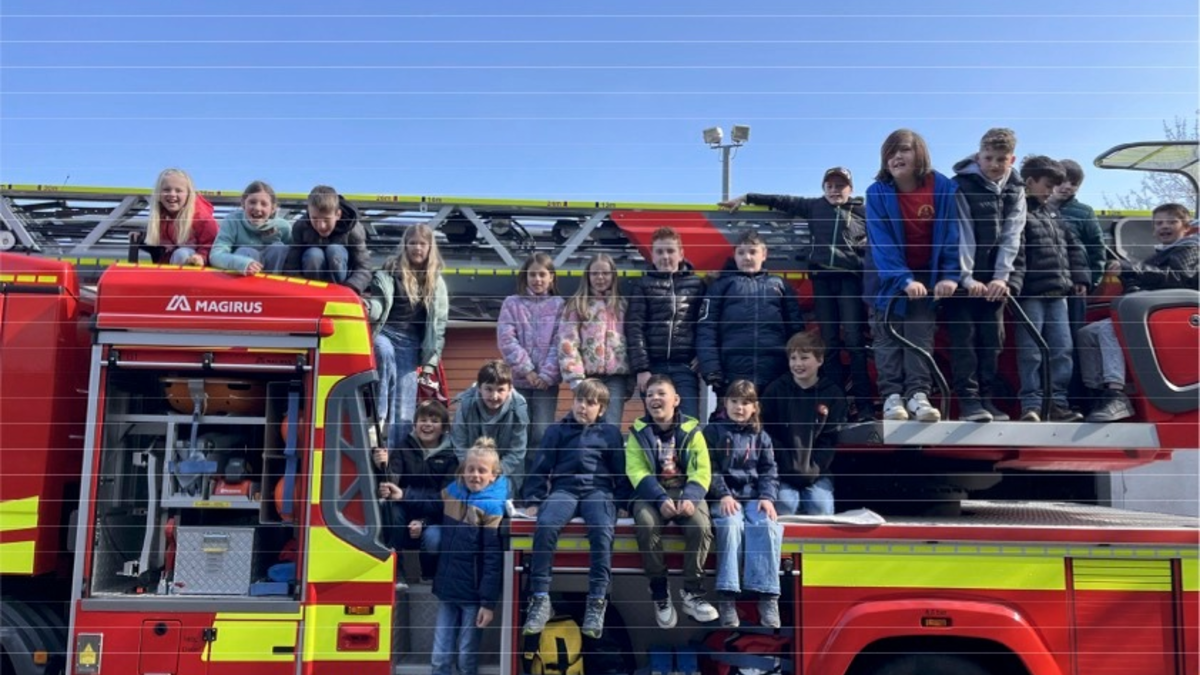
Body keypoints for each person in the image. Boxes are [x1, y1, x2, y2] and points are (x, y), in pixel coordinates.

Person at [720, 167, 871, 420]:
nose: (835, 190)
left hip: (849, 281)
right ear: (824, 188)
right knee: (830, 344)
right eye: (830, 186)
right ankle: (837, 409)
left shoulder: (863, 212)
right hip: (822, 280)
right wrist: (746, 196)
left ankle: (865, 408)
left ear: (850, 189)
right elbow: (780, 200)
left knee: (855, 342)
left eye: (840, 186)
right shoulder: (813, 207)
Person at [864, 128, 962, 422]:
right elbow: (882, 243)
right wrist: (903, 280)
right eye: (890, 153)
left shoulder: (942, 187)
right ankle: (891, 397)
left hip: (926, 278)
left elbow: (951, 234)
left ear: (920, 154)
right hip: (886, 278)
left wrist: (949, 276)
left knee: (920, 337)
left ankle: (918, 395)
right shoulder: (877, 193)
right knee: (887, 338)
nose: (896, 157)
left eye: (904, 150)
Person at [521, 379, 631, 639]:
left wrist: (624, 502)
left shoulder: (611, 434)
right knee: (546, 525)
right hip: (565, 490)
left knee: (603, 529)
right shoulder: (556, 431)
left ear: (601, 409)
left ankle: (596, 601)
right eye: (579, 400)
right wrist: (534, 500)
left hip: (598, 491)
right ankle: (540, 598)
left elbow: (621, 472)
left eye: (590, 403)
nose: (583, 407)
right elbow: (540, 466)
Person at [1078, 203, 1198, 422]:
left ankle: (1116, 394)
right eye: (1159, 223)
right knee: (1087, 333)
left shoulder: (1189, 248)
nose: (1164, 227)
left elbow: (1179, 277)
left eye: (1172, 222)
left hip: (1170, 316)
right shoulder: (1160, 254)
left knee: (1110, 330)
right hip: (1154, 314)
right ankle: (1096, 393)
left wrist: (1131, 268)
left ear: (1186, 227)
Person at [625, 375, 718, 628]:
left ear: (676, 400)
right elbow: (636, 471)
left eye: (661, 393)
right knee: (645, 523)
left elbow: (703, 470)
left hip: (686, 490)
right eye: (650, 394)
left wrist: (691, 497)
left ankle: (692, 591)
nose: (655, 399)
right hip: (651, 493)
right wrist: (659, 498)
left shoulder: (693, 430)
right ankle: (659, 590)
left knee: (700, 526)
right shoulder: (637, 432)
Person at [948, 128, 1027, 422]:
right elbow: (962, 233)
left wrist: (1001, 278)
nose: (994, 165)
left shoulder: (1016, 190)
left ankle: (987, 399)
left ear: (1012, 159)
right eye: (988, 158)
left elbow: (1013, 235)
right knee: (964, 341)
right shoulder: (960, 186)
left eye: (1001, 159)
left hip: (995, 281)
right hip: (963, 279)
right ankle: (969, 402)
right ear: (978, 156)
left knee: (993, 340)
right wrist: (966, 278)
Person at [1013, 155, 1090, 422]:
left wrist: (1079, 277)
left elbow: (1073, 247)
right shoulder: (1017, 210)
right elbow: (1015, 252)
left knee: (1062, 349)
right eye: (1047, 185)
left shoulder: (1052, 212)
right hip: (1029, 294)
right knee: (1032, 351)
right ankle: (1031, 405)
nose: (1051, 191)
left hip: (1059, 294)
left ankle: (1057, 402)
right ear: (1030, 181)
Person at [703, 379, 782, 629]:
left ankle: (767, 595)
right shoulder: (712, 432)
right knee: (730, 525)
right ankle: (727, 596)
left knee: (766, 525)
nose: (739, 407)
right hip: (724, 497)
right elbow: (709, 469)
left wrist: (767, 498)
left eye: (745, 403)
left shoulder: (761, 436)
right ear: (725, 403)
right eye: (734, 401)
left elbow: (769, 470)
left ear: (754, 407)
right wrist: (722, 494)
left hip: (753, 496)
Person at [430, 437, 509, 675]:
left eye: (482, 471)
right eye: (470, 469)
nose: (475, 475)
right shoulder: (452, 493)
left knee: (466, 659)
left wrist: (488, 603)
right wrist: (401, 494)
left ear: (493, 475)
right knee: (439, 659)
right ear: (463, 471)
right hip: (447, 591)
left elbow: (493, 561)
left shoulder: (493, 507)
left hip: (474, 598)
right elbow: (425, 503)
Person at [366, 224, 449, 447]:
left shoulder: (436, 282)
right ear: (405, 245)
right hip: (386, 331)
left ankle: (394, 460)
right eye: (412, 243)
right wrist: (368, 308)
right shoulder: (391, 270)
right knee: (383, 352)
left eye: (422, 243)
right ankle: (378, 420)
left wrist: (430, 366)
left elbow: (438, 326)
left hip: (411, 343)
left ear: (430, 247)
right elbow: (379, 303)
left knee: (404, 406)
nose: (417, 248)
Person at [697, 231, 805, 398]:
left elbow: (796, 331)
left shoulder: (780, 286)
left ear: (764, 254)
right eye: (741, 252)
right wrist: (711, 369)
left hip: (775, 373)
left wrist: (796, 367)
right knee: (731, 423)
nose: (747, 257)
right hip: (732, 374)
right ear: (734, 256)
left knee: (774, 423)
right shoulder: (721, 286)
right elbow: (706, 330)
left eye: (752, 252)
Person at [761, 332, 847, 516]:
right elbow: (767, 434)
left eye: (804, 357)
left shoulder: (833, 395)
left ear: (820, 360)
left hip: (816, 473)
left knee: (820, 508)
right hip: (782, 472)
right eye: (793, 358)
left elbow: (829, 440)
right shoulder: (775, 390)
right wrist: (786, 466)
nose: (798, 364)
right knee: (785, 506)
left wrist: (812, 471)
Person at [625, 227, 707, 419]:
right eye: (660, 251)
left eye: (670, 251)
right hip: (653, 367)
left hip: (685, 368)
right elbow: (635, 327)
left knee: (688, 423)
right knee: (657, 424)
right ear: (652, 256)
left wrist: (702, 356)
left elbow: (704, 324)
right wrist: (642, 368)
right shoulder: (643, 285)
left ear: (681, 254)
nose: (665, 256)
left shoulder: (697, 285)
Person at [376, 399, 458, 583]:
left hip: (433, 517)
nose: (427, 425)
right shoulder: (403, 448)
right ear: (415, 423)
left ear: (444, 428)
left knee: (434, 539)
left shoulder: (451, 457)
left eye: (434, 421)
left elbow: (443, 500)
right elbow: (391, 483)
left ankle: (429, 577)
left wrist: (422, 521)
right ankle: (397, 572)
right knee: (391, 511)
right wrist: (382, 466)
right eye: (423, 420)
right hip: (403, 515)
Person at [1053, 159, 1109, 412]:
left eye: (1073, 184)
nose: (1067, 187)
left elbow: (1097, 250)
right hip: (1043, 283)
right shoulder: (1034, 207)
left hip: (1075, 288)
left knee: (1071, 342)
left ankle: (1075, 397)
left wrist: (1090, 280)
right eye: (1063, 181)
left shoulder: (1083, 212)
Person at [498, 253, 564, 450]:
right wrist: (527, 370)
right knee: (519, 432)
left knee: (541, 433)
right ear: (525, 276)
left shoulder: (559, 305)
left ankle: (538, 479)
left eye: (542, 275)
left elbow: (561, 341)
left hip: (546, 383)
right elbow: (507, 339)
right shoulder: (512, 303)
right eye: (532, 275)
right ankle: (518, 478)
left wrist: (546, 375)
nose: (537, 280)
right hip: (519, 380)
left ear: (551, 277)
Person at [557, 254, 632, 426]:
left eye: (605, 273)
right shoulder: (577, 304)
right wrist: (575, 377)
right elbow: (567, 342)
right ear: (588, 276)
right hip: (587, 377)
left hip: (616, 378)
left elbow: (631, 341)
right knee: (585, 423)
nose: (600, 278)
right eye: (595, 273)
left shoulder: (622, 305)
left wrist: (631, 379)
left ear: (613, 276)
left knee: (611, 426)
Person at [451, 360, 530, 495]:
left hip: (505, 471)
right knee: (456, 495)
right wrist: (473, 472)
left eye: (500, 390)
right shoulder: (466, 405)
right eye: (488, 389)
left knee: (492, 498)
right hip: (470, 469)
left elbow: (517, 451)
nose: (494, 396)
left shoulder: (519, 408)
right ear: (479, 388)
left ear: (510, 389)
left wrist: (493, 473)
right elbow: (459, 443)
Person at [284, 185, 372, 294]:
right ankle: (313, 293)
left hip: (343, 284)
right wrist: (299, 286)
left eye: (326, 219)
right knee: (314, 254)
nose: (321, 226)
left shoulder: (353, 229)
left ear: (338, 215)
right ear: (308, 213)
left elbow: (364, 267)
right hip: (310, 282)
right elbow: (292, 266)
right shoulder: (301, 227)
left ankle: (336, 294)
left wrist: (351, 288)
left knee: (334, 250)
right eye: (314, 218)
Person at [208, 180, 291, 275]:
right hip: (242, 279)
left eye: (264, 204)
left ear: (272, 209)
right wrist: (241, 263)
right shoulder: (232, 221)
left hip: (274, 279)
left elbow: (294, 257)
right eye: (252, 202)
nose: (257, 208)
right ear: (243, 203)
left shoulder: (283, 227)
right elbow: (216, 255)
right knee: (246, 251)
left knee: (279, 248)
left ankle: (272, 286)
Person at [138, 168, 218, 266]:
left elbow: (213, 244)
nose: (172, 194)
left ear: (188, 194)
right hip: (172, 266)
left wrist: (201, 257)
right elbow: (163, 249)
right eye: (166, 190)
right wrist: (140, 236)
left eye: (178, 190)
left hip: (201, 268)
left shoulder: (202, 218)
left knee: (182, 254)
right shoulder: (161, 217)